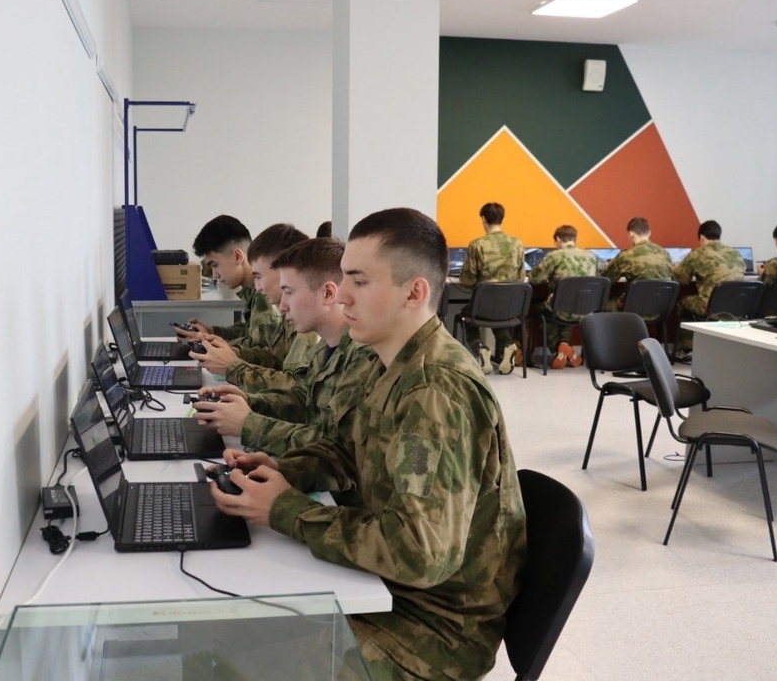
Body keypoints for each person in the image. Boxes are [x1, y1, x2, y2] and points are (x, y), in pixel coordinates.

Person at [208, 208, 527, 680]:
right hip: (394, 591)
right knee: (224, 629)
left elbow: (420, 552)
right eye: (344, 279)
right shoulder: (391, 364)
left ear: (414, 293)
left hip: (433, 629)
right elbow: (349, 451)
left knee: (234, 662)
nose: (343, 295)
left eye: (359, 281)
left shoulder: (433, 392)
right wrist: (283, 471)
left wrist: (288, 510)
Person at [194, 237, 380, 457]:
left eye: (289, 292)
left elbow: (337, 446)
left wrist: (249, 424)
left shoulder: (363, 357)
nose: (282, 306)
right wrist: (249, 402)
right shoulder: (326, 347)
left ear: (328, 294)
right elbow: (304, 400)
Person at [189, 223, 318, 375]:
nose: (258, 287)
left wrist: (233, 366)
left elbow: (295, 385)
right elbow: (274, 358)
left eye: (259, 276)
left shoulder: (307, 321)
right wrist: (228, 349)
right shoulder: (290, 309)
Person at [174, 215, 279, 351]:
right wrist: (211, 332)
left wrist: (208, 341)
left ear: (237, 256)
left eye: (215, 265)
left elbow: (259, 351)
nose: (215, 275)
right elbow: (249, 331)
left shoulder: (263, 294)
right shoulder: (251, 289)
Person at [458, 202, 525, 374]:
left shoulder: (477, 245)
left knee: (465, 315)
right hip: (509, 307)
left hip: (483, 306)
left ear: (483, 219)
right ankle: (508, 345)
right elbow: (520, 278)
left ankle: (480, 348)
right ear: (502, 219)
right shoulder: (517, 244)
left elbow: (467, 280)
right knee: (498, 314)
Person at [673, 219, 746, 362]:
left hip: (710, 306)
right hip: (736, 306)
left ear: (701, 237)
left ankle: (688, 349)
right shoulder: (736, 253)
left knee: (682, 302)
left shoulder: (698, 254)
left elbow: (682, 279)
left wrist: (676, 267)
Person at [528, 225, 599, 369]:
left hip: (561, 309)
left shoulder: (554, 256)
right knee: (570, 306)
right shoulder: (591, 257)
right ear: (575, 239)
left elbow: (535, 279)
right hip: (587, 310)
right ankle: (565, 345)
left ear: (558, 240)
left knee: (540, 310)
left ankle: (558, 348)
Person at [602, 217, 674, 310]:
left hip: (632, 309)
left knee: (602, 304)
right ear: (649, 233)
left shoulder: (627, 256)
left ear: (631, 234)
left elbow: (605, 280)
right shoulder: (665, 254)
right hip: (657, 309)